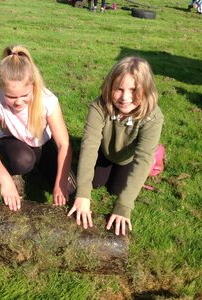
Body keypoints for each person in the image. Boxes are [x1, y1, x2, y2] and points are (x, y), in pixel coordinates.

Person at [67, 57, 164, 236]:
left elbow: (142, 160)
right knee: (95, 183)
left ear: (146, 90)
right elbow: (89, 146)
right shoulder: (99, 106)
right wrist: (82, 194)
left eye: (133, 90)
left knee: (117, 190)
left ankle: (156, 152)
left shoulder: (153, 117)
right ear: (109, 87)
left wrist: (124, 206)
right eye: (119, 89)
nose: (125, 97)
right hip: (105, 151)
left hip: (128, 157)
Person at [0, 45, 74, 211]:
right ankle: (14, 173)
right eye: (10, 96)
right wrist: (5, 180)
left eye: (24, 95)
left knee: (71, 188)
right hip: (13, 143)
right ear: (0, 89)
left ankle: (41, 169)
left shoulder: (47, 99)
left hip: (42, 144)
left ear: (33, 86)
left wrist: (60, 182)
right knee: (23, 160)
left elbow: (63, 144)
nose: (18, 102)